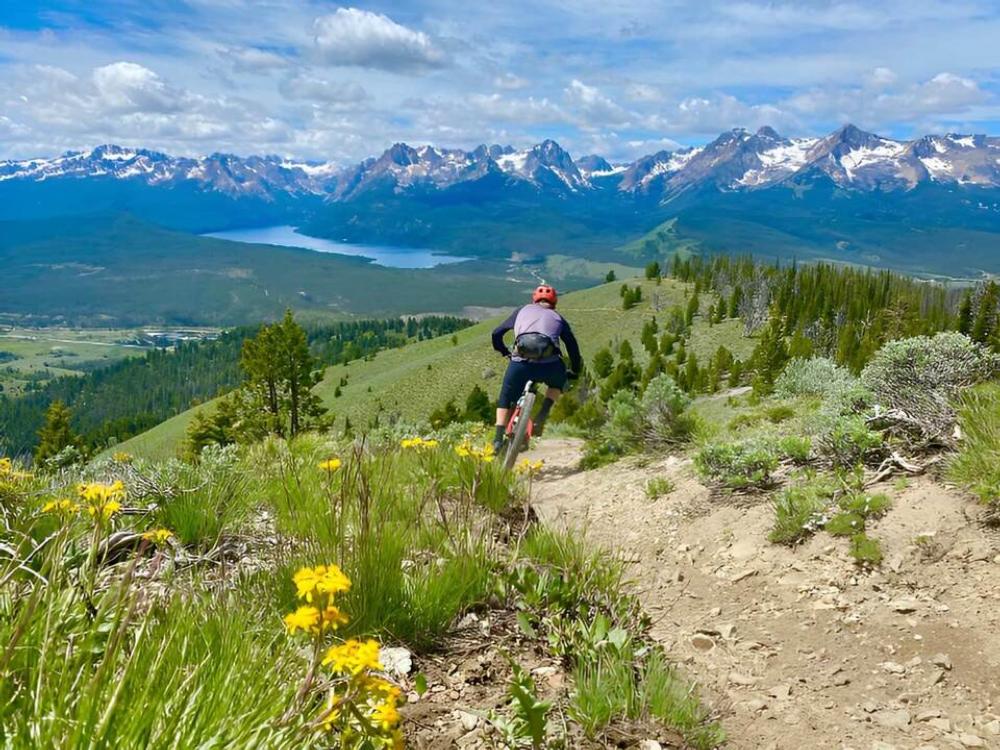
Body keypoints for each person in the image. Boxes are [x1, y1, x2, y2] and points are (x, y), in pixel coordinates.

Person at [491, 284, 582, 453]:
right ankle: (543, 413)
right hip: (550, 366)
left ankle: (497, 439)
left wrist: (504, 351)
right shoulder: (558, 318)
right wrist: (575, 370)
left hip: (520, 364)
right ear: (554, 302)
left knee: (505, 395)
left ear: (534, 299)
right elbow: (572, 346)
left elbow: (497, 333)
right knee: (556, 384)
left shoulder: (521, 311)